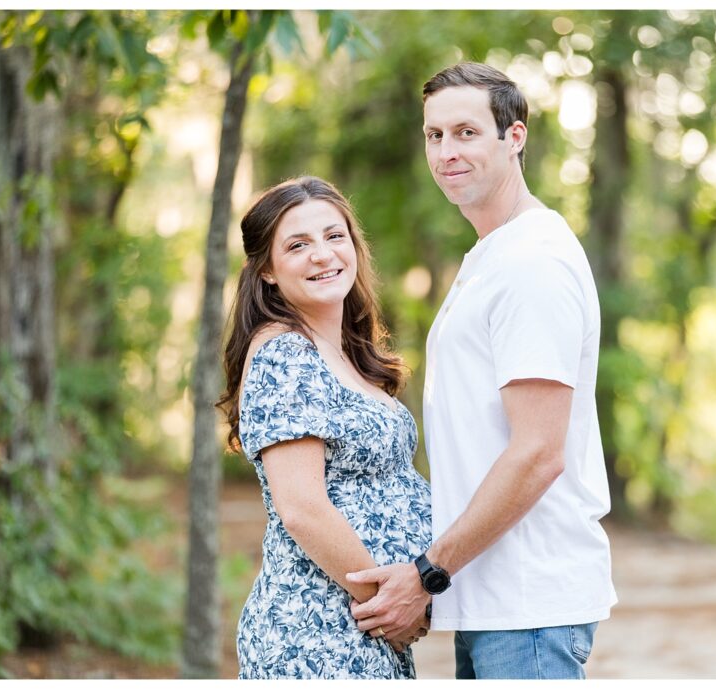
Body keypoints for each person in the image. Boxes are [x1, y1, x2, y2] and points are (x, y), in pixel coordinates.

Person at [347, 63, 617, 679]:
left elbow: (538, 453)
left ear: (513, 137)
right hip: (491, 600)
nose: (446, 151)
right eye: (434, 135)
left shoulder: (532, 263)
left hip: (529, 604)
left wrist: (429, 572)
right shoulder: (493, 256)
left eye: (466, 132)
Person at [219, 176, 432, 679]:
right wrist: (388, 604)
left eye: (334, 236)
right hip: (316, 631)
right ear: (267, 270)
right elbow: (303, 509)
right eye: (298, 245)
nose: (323, 255)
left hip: (357, 628)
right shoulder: (284, 352)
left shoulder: (345, 354)